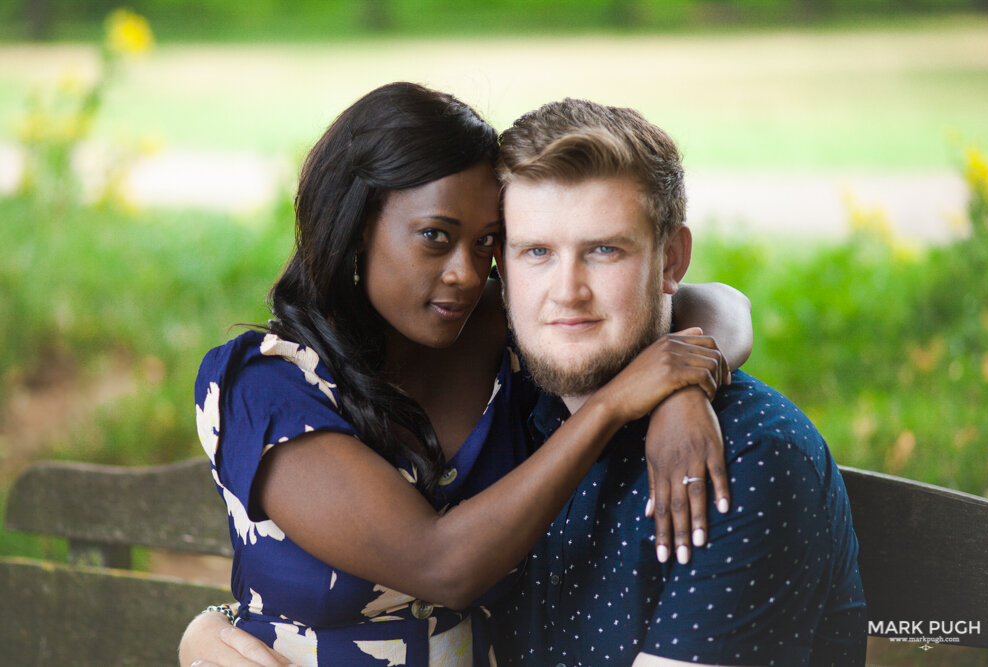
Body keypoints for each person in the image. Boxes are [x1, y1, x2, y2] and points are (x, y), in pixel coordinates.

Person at [180, 82, 753, 667]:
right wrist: (615, 405)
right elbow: (441, 566)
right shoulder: (265, 386)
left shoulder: (500, 332)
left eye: (486, 243)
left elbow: (717, 303)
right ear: (356, 228)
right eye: (436, 237)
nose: (466, 272)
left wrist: (683, 388)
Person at [487, 99, 866, 666]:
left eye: (603, 250)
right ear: (502, 263)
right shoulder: (509, 398)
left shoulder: (750, 457)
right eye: (537, 252)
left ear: (671, 259)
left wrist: (687, 384)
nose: (567, 291)